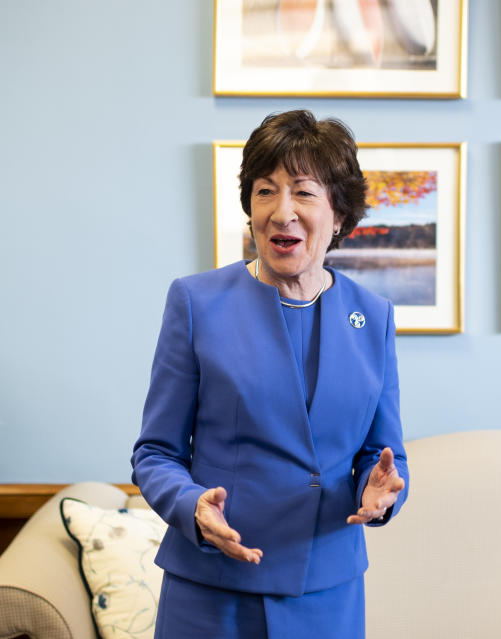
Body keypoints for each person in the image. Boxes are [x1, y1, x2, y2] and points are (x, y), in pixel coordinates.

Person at [131, 110, 409, 638]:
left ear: (340, 215)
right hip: (212, 591)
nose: (282, 213)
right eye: (265, 191)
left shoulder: (373, 316)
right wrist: (192, 507)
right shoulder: (196, 303)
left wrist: (383, 492)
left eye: (304, 192)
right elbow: (155, 452)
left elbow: (383, 454)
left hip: (326, 594)